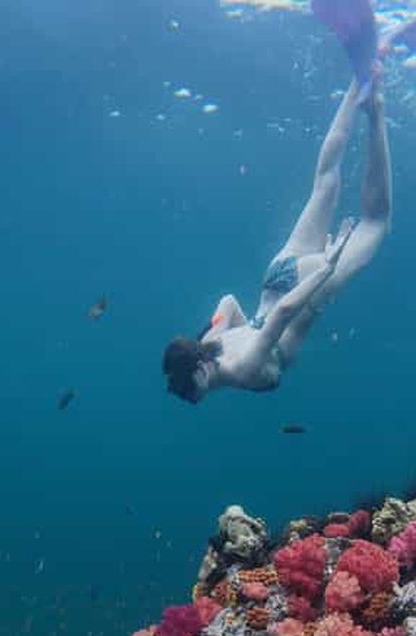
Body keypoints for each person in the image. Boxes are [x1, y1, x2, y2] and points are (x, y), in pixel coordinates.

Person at [162, 78, 392, 404]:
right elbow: (228, 302)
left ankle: (376, 110)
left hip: (305, 289)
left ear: (200, 371)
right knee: (324, 182)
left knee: (375, 223)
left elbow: (284, 313)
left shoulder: (243, 369)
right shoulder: (212, 341)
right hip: (277, 276)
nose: (185, 396)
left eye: (185, 387)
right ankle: (359, 81)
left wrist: (326, 268)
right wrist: (209, 331)